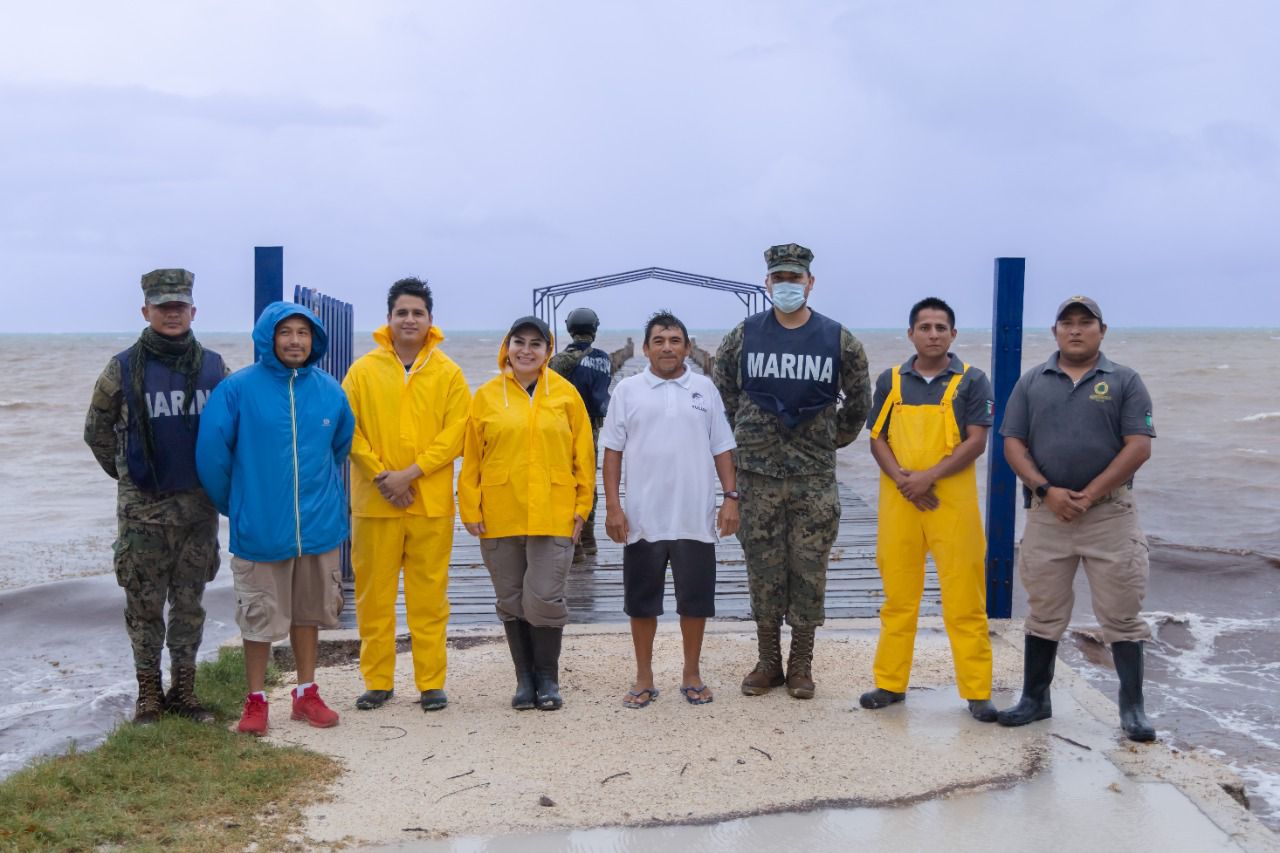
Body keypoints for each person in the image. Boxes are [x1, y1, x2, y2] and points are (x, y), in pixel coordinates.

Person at [713, 243, 871, 699]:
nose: (787, 285)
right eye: (779, 278)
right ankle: (768, 662)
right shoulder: (742, 337)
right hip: (757, 477)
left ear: (810, 283)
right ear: (767, 283)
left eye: (794, 278)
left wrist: (825, 442)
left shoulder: (839, 340)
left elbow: (859, 403)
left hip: (812, 479)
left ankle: (801, 664)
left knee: (808, 569)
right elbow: (724, 392)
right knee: (761, 567)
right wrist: (750, 435)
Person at [997, 296, 1157, 742]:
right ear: (1054, 333)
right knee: (1043, 611)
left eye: (1085, 323)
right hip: (1048, 515)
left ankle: (1133, 709)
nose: (1075, 330)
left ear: (1102, 331)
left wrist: (1090, 494)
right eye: (1066, 323)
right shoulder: (1031, 382)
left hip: (1110, 515)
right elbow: (1013, 444)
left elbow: (1138, 446)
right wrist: (1047, 491)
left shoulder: (1125, 380)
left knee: (1121, 614)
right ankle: (1034, 699)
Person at [196, 302, 354, 736]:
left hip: (318, 528)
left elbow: (338, 447)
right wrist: (240, 504)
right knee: (259, 617)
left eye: (304, 333)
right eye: (286, 333)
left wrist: (318, 497)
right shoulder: (238, 389)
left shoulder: (329, 390)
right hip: (260, 528)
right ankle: (256, 700)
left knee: (308, 614)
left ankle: (306, 693)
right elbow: (212, 455)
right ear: (269, 338)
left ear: (314, 340)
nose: (295, 341)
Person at [84, 269, 227, 725]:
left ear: (192, 311)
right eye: (162, 306)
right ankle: (148, 695)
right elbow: (96, 432)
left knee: (189, 605)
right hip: (142, 516)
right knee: (143, 608)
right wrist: (129, 476)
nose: (171, 313)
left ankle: (184, 692)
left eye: (179, 306)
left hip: (197, 513)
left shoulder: (215, 368)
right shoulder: (122, 368)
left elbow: (231, 431)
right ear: (146, 311)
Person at [858, 298, 998, 721]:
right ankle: (889, 683)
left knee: (965, 599)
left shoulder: (973, 381)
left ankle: (977, 691)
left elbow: (976, 441)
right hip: (901, 501)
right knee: (899, 597)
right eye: (925, 327)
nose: (933, 334)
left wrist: (927, 477)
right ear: (911, 334)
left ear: (953, 334)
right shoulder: (891, 381)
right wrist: (905, 481)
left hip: (951, 504)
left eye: (941, 327)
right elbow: (876, 438)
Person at [342, 278, 471, 713]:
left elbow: (456, 434)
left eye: (418, 313)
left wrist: (411, 474)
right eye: (402, 312)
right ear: (390, 319)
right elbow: (350, 432)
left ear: (430, 320)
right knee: (373, 596)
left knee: (429, 597)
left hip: (430, 504)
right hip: (374, 503)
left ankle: (431, 682)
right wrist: (383, 476)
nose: (410, 319)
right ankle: (377, 680)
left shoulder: (449, 372)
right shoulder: (362, 371)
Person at [602, 311, 738, 708]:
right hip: (644, 518)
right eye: (659, 340)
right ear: (645, 348)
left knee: (695, 602)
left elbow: (722, 447)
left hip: (695, 517)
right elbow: (611, 451)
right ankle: (644, 677)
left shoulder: (705, 389)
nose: (667, 347)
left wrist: (731, 499)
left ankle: (691, 673)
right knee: (642, 602)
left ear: (687, 348)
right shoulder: (627, 390)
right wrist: (613, 507)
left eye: (675, 340)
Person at [457, 316, 594, 711]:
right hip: (499, 511)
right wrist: (469, 506)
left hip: (555, 511)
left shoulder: (566, 396)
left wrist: (582, 508)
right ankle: (525, 680)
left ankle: (548, 677)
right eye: (519, 342)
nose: (527, 350)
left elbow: (583, 458)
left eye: (536, 343)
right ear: (507, 346)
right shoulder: (485, 396)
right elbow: (472, 460)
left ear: (548, 351)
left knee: (546, 596)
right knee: (511, 597)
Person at [548, 307, 612, 563]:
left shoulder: (562, 360)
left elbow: (547, 387)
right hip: (593, 430)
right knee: (588, 482)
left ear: (570, 329)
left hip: (565, 429)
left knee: (567, 483)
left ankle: (573, 545)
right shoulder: (605, 358)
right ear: (594, 329)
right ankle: (589, 539)